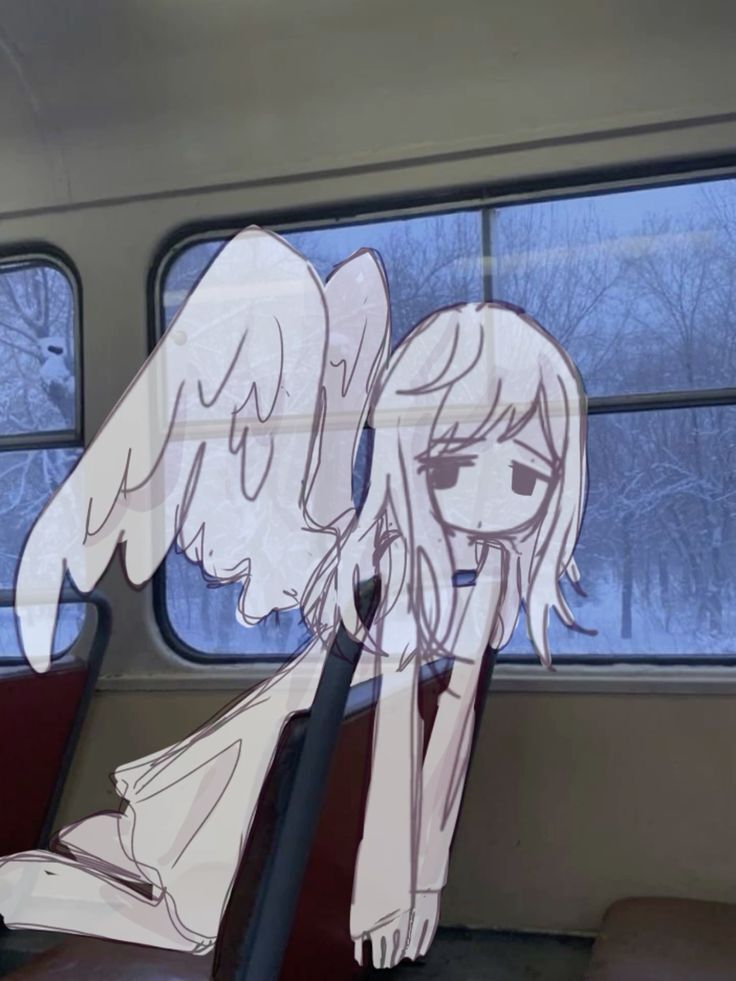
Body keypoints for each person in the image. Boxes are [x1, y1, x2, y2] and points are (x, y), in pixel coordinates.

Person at [0, 230, 589, 971]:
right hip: (258, 767)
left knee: (180, 904)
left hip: (282, 763)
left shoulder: (473, 587)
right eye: (450, 467)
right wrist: (390, 889)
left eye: (524, 476)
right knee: (182, 910)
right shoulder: (377, 573)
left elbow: (443, 745)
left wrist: (420, 884)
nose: (482, 505)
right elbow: (402, 747)